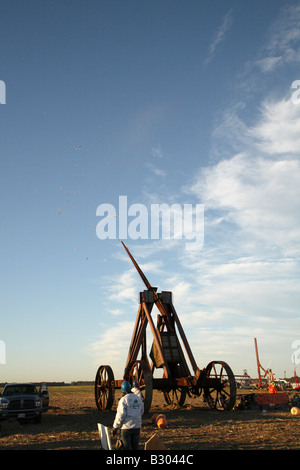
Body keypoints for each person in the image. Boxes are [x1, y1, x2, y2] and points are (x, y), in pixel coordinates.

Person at [113, 381, 144, 450]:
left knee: (126, 447)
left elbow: (121, 415)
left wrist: (115, 426)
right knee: (135, 448)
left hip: (126, 428)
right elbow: (141, 411)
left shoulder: (123, 400)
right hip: (137, 427)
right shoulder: (138, 398)